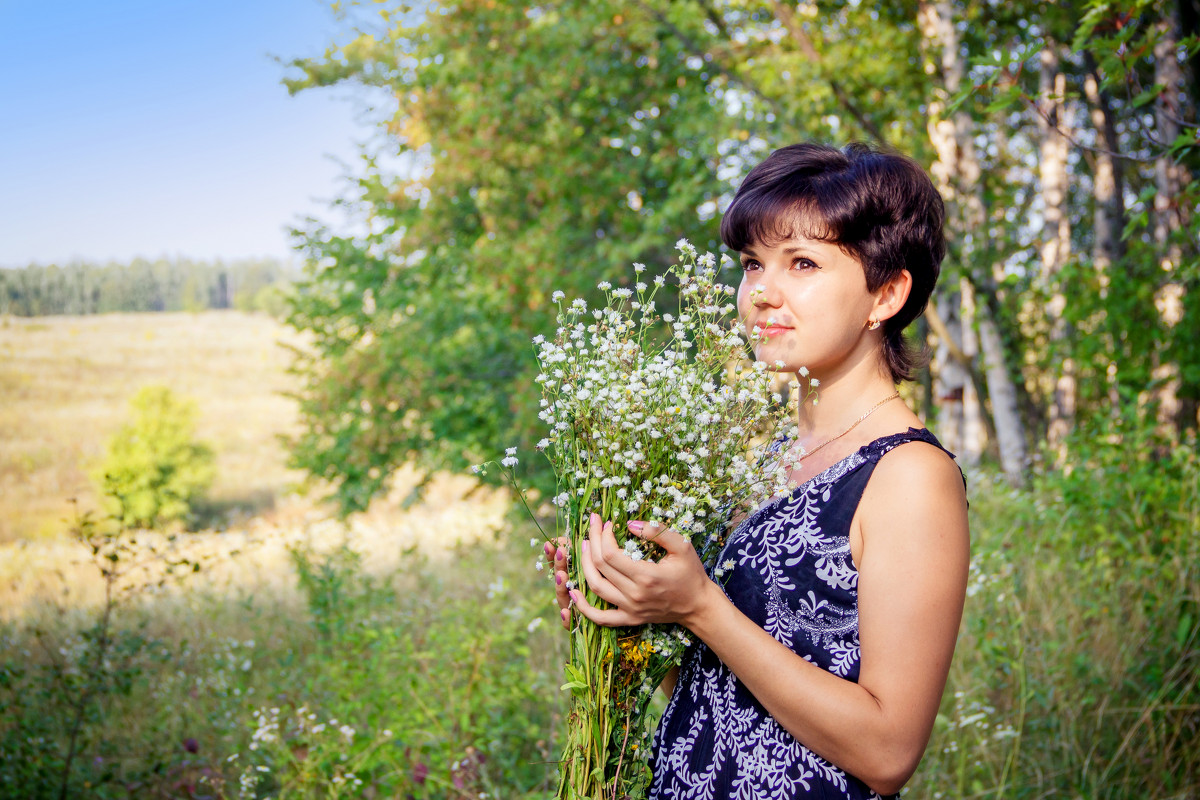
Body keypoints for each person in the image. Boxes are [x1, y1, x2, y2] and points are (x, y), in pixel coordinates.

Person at [546, 142, 970, 799]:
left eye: (802, 262)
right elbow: (712, 686)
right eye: (751, 264)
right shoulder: (758, 455)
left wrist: (701, 608)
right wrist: (622, 608)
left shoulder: (907, 475)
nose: (761, 294)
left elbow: (888, 753)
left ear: (886, 292)